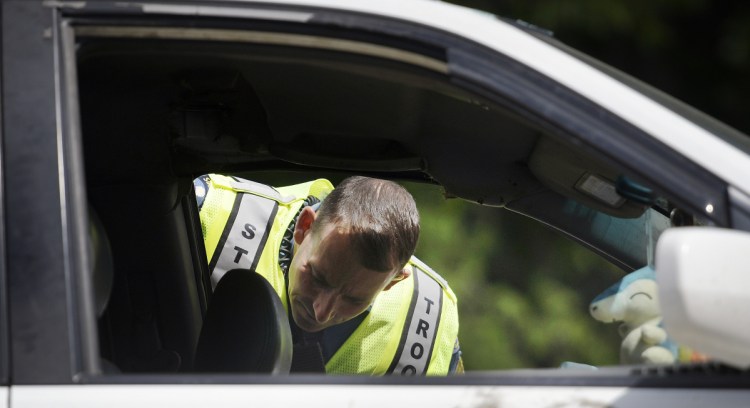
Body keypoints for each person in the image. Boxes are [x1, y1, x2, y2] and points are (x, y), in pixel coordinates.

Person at [194, 173, 462, 375]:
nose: (321, 311)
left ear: (393, 282)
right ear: (305, 226)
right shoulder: (210, 211)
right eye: (318, 278)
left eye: (354, 300)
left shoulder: (431, 328)